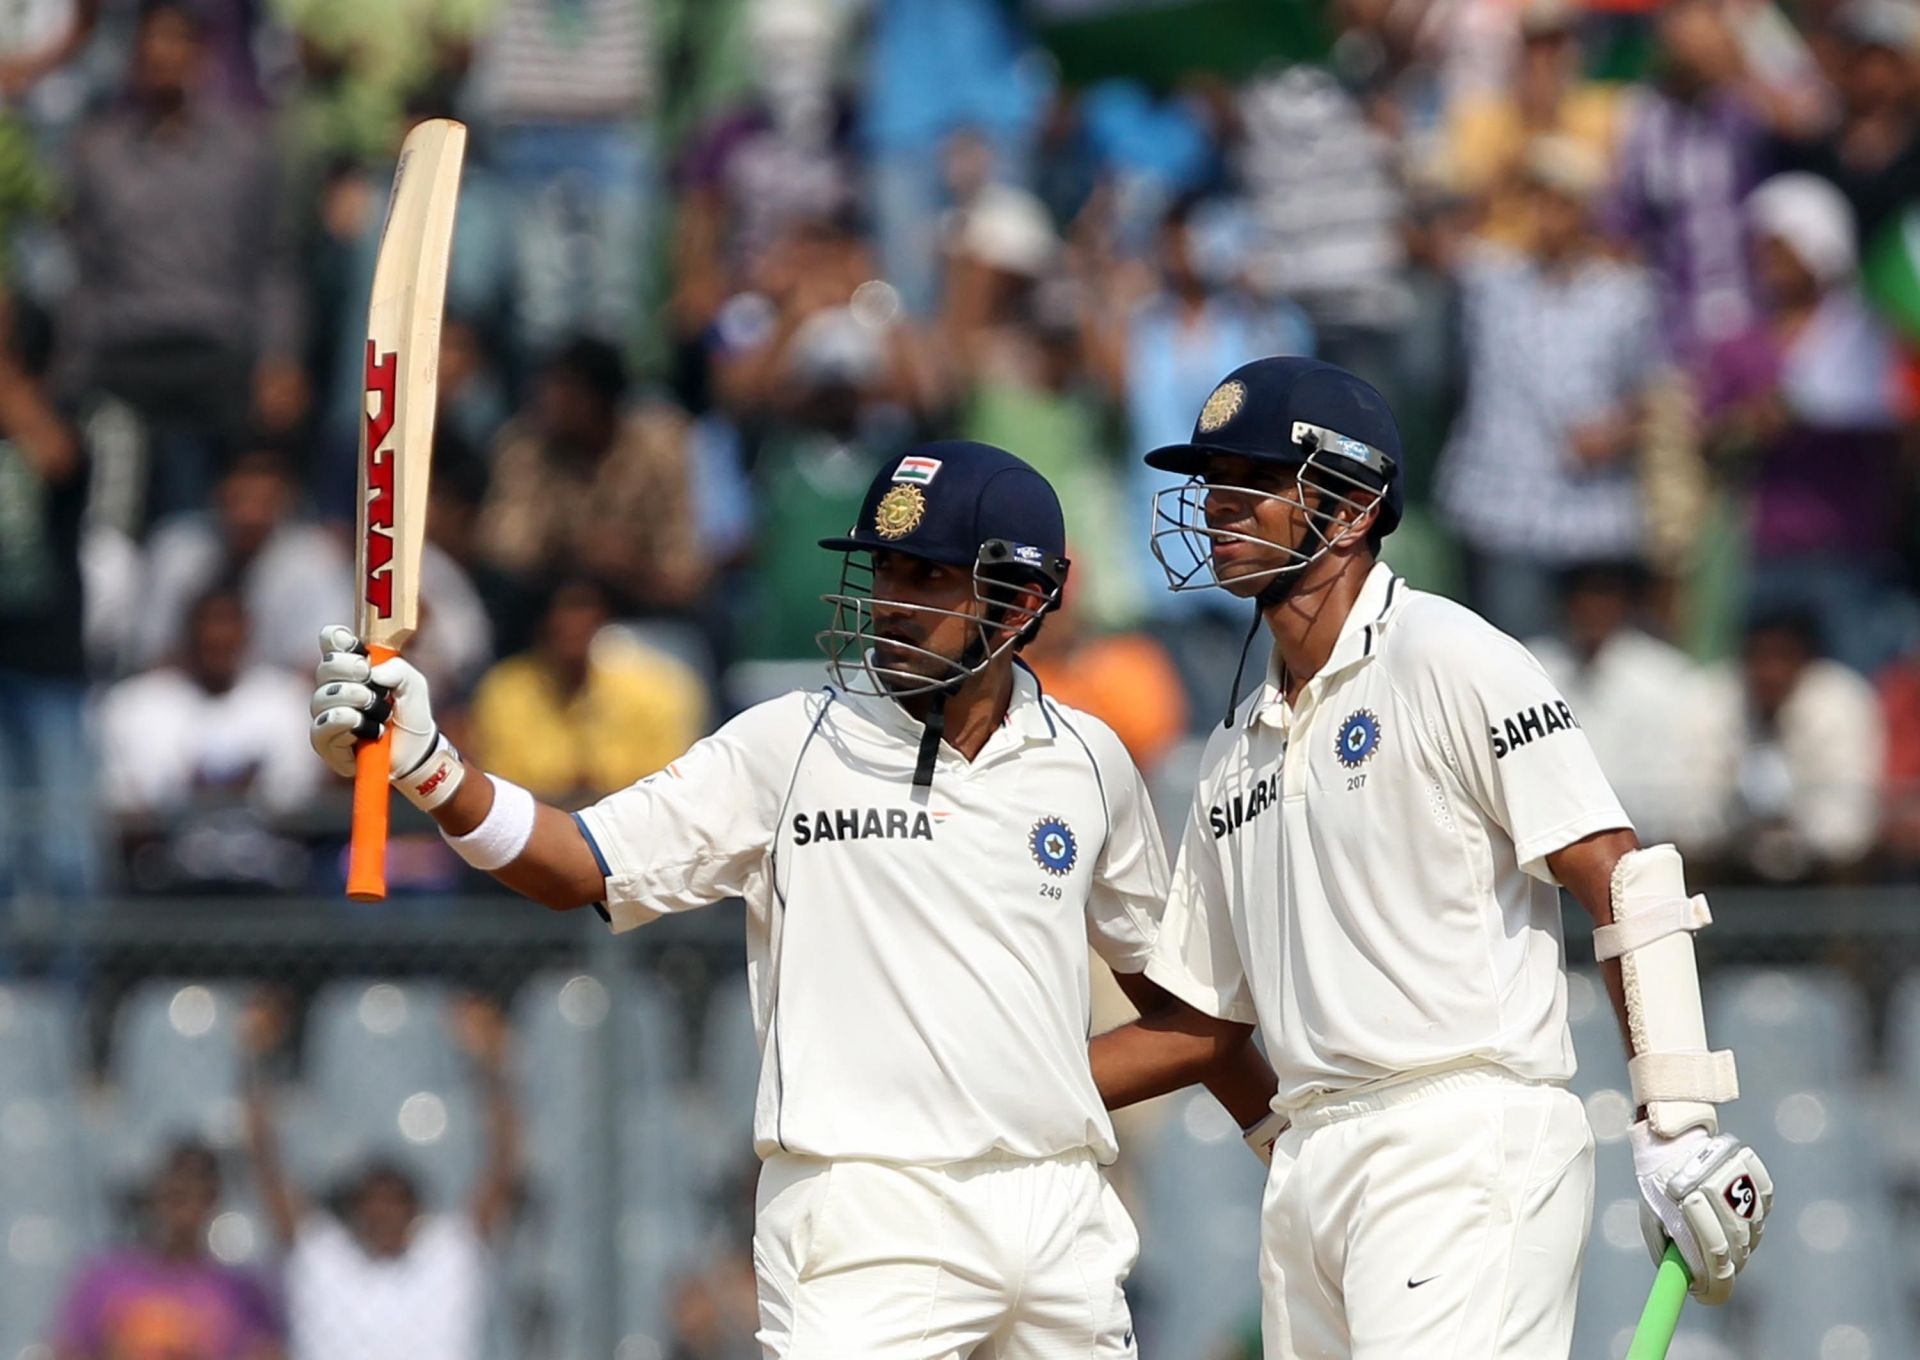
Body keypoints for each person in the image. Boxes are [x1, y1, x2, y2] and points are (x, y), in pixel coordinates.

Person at [308, 439, 1276, 1356]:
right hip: (864, 1213)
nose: (890, 601)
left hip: (1059, 1208)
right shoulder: (789, 744)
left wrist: (1274, 1137)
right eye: (884, 571)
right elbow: (577, 862)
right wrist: (434, 767)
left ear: (1023, 598)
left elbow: (1194, 1017)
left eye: (927, 577)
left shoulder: (1091, 762)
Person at [1091, 357, 1773, 1358]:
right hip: (1312, 1162)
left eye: (1252, 482)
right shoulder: (1235, 746)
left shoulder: (1446, 653)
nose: (1217, 509)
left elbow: (1618, 870)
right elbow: (1200, 1026)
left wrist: (1676, 1118)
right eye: (1212, 484)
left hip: (1460, 1139)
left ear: (1354, 503)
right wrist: (997, 1087)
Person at [240, 991, 520, 1360]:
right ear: (353, 1209)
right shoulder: (324, 1258)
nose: (382, 1211)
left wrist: (492, 1070)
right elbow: (266, 1168)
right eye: (369, 1201)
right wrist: (257, 1063)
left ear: (416, 1208)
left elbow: (503, 1169)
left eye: (395, 1200)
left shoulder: (448, 1255)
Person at [469, 577, 707, 804]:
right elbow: (498, 783)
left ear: (604, 620)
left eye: (581, 614)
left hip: (634, 827)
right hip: (533, 827)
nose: (572, 627)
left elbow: (669, 779)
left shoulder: (658, 686)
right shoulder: (505, 690)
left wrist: (598, 781)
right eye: (561, 617)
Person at [53, 1140, 284, 1360]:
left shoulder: (240, 1293)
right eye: (176, 1196)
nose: (184, 1211)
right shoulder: (104, 1280)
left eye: (198, 1196)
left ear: (213, 1201)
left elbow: (265, 1352)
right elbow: (70, 1350)